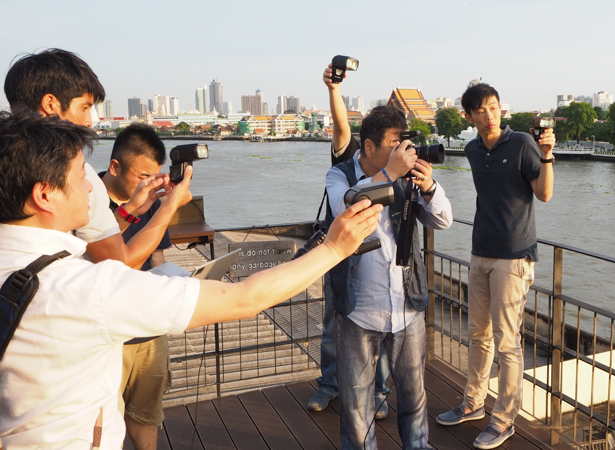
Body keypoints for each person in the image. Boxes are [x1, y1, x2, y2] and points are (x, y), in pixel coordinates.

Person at [0, 111, 382, 448]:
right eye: (80, 175)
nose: (90, 187)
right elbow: (244, 299)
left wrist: (146, 208)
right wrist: (334, 248)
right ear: (44, 194)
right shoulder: (83, 289)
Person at [326, 105, 453, 449]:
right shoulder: (339, 175)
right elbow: (345, 208)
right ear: (369, 147)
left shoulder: (406, 177)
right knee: (356, 406)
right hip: (357, 309)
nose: (404, 152)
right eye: (395, 143)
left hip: (405, 305)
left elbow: (443, 220)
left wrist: (428, 187)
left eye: (405, 143)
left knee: (414, 398)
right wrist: (388, 176)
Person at [436, 83, 554, 449]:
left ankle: (503, 421)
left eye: (494, 108)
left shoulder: (521, 143)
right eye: (481, 110)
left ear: (501, 110)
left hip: (514, 256)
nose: (489, 115)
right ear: (468, 117)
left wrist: (548, 155)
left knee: (507, 344)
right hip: (480, 252)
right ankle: (473, 403)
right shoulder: (472, 149)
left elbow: (544, 193)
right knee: (477, 336)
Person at [3, 48, 171, 268]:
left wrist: (128, 211)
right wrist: (171, 204)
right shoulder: (73, 174)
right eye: (84, 107)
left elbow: (89, 239)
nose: (89, 121)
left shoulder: (7, 161)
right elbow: (120, 263)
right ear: (51, 105)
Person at [306, 62, 391, 418]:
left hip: (379, 256)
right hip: (341, 253)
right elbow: (341, 126)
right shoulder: (346, 160)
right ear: (368, 145)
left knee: (382, 327)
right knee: (333, 323)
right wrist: (334, 90)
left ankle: (380, 390)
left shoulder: (395, 161)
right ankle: (330, 384)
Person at [99, 124, 173, 449]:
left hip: (148, 328)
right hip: (106, 334)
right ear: (115, 166)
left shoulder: (153, 203)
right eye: (142, 176)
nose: (148, 186)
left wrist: (178, 284)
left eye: (154, 178)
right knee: (102, 423)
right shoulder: (85, 202)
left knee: (147, 414)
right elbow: (108, 262)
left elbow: (155, 258)